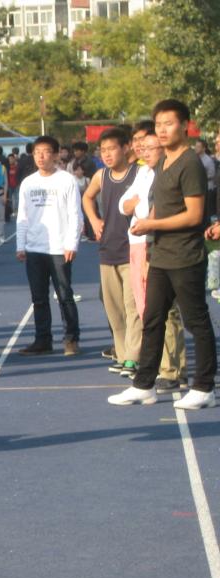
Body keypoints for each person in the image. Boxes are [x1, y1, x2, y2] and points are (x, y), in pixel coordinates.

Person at [109, 99, 216, 410]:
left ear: (185, 126)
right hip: (161, 255)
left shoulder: (190, 163)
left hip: (185, 256)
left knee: (196, 321)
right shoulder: (162, 163)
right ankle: (144, 385)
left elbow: (194, 215)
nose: (163, 130)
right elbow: (159, 206)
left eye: (169, 123)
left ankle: (204, 388)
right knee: (152, 319)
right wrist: (149, 236)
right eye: (158, 125)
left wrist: (152, 224)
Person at [119, 126, 187, 392]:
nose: (144, 151)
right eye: (141, 146)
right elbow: (124, 205)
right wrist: (137, 207)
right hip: (138, 244)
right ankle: (163, 365)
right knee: (148, 308)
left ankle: (172, 369)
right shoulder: (143, 172)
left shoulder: (168, 173)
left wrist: (142, 213)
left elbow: (153, 212)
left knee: (166, 309)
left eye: (149, 147)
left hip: (158, 245)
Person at [15, 135, 83, 356]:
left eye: (45, 152)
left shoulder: (66, 180)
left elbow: (75, 214)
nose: (41, 156)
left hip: (59, 249)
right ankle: (42, 340)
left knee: (64, 295)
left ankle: (71, 339)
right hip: (34, 249)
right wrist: (20, 244)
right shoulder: (28, 183)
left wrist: (72, 243)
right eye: (37, 152)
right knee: (39, 298)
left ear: (55, 155)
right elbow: (22, 216)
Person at [81, 127, 140, 378]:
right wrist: (94, 220)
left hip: (132, 249)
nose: (106, 154)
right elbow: (87, 198)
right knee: (114, 310)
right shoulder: (101, 176)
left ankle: (134, 359)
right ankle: (123, 355)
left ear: (126, 148)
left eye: (111, 149)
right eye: (102, 150)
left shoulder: (139, 173)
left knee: (132, 308)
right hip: (107, 250)